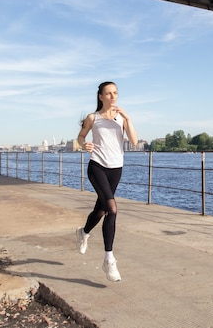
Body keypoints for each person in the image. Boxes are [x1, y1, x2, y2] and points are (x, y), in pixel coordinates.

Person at [76, 81, 138, 282]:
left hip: (116, 169)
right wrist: (84, 144)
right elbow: (81, 136)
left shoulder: (121, 118)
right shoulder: (93, 118)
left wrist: (127, 118)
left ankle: (83, 232)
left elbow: (134, 141)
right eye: (108, 93)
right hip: (97, 167)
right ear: (100, 96)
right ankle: (109, 259)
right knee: (112, 209)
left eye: (115, 93)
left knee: (101, 210)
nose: (113, 97)